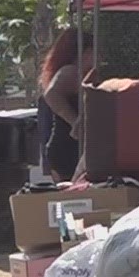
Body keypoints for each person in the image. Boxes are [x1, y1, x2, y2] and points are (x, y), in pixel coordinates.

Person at [35, 28, 86, 182]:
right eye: (93, 52)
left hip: (63, 147)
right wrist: (75, 122)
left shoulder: (71, 73)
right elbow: (51, 95)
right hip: (68, 148)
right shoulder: (70, 71)